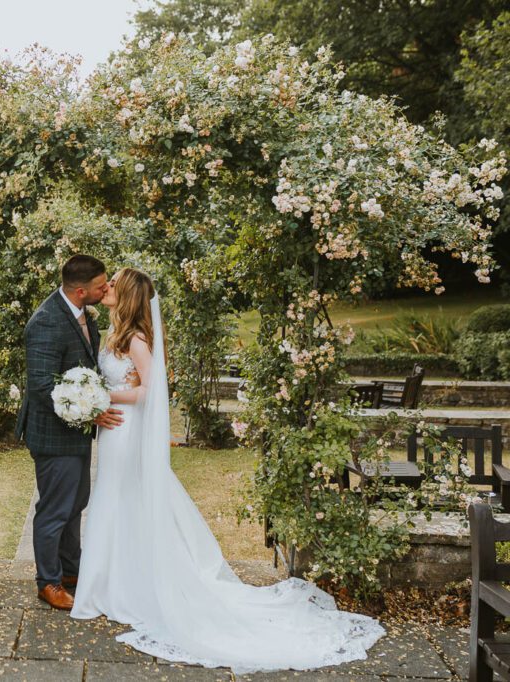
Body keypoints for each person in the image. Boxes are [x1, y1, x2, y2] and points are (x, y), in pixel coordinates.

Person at [69, 267, 385, 674]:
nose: (108, 286)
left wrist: (104, 394)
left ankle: (128, 586)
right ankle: (113, 581)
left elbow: (150, 390)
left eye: (114, 282)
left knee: (124, 498)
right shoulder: (116, 332)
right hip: (115, 431)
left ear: (127, 294)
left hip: (128, 432)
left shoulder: (137, 339)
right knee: (116, 499)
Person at [16, 254, 123, 610]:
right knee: (54, 509)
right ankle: (48, 582)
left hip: (75, 431)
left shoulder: (84, 315)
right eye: (100, 286)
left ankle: (71, 570)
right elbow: (42, 386)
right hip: (52, 434)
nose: (106, 289)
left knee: (76, 503)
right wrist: (91, 412)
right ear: (80, 291)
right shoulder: (46, 321)